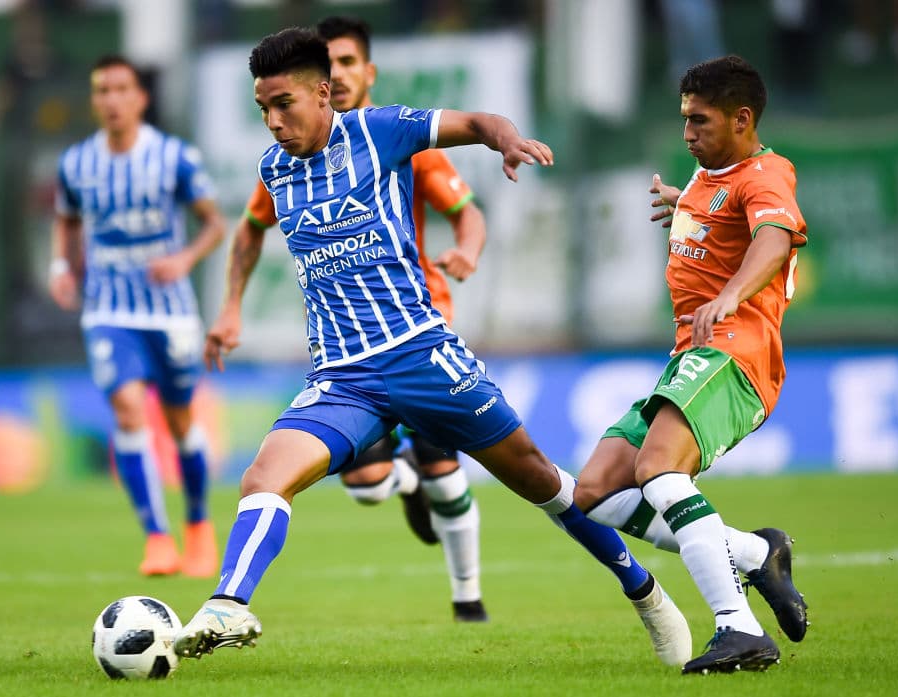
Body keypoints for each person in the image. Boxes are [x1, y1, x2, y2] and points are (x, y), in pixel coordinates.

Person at [172, 26, 691, 666]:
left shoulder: (380, 131)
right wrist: (230, 306)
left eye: (284, 104)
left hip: (421, 356)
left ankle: (645, 592)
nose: (273, 122)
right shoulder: (274, 170)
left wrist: (505, 139)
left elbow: (475, 119)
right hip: (342, 378)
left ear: (324, 92)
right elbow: (250, 235)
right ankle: (228, 605)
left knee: (544, 482)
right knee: (263, 476)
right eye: (262, 110)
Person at [237, 15, 490, 623]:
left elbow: (469, 213)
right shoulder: (286, 161)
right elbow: (251, 227)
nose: (343, 75)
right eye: (334, 64)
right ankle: (400, 478)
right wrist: (228, 308)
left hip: (419, 332)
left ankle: (468, 600)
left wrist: (467, 252)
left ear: (362, 73)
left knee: (446, 471)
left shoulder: (395, 139)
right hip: (352, 354)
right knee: (369, 485)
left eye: (350, 63)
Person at [574, 55, 809, 674]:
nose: (687, 133)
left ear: (741, 118)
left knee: (657, 469)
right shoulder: (711, 178)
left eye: (699, 121)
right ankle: (756, 555)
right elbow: (727, 218)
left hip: (736, 353)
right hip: (693, 356)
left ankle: (739, 630)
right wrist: (688, 207)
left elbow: (774, 236)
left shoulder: (765, 174)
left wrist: (732, 292)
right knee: (595, 491)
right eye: (683, 119)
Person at [50, 55, 226, 577]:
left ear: (140, 98)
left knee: (179, 422)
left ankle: (197, 525)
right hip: (108, 308)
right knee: (128, 409)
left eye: (120, 89)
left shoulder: (174, 158)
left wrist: (184, 259)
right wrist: (62, 265)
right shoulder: (77, 163)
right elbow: (66, 219)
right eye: (101, 90)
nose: (110, 99)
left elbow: (215, 224)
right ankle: (156, 537)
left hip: (169, 313)